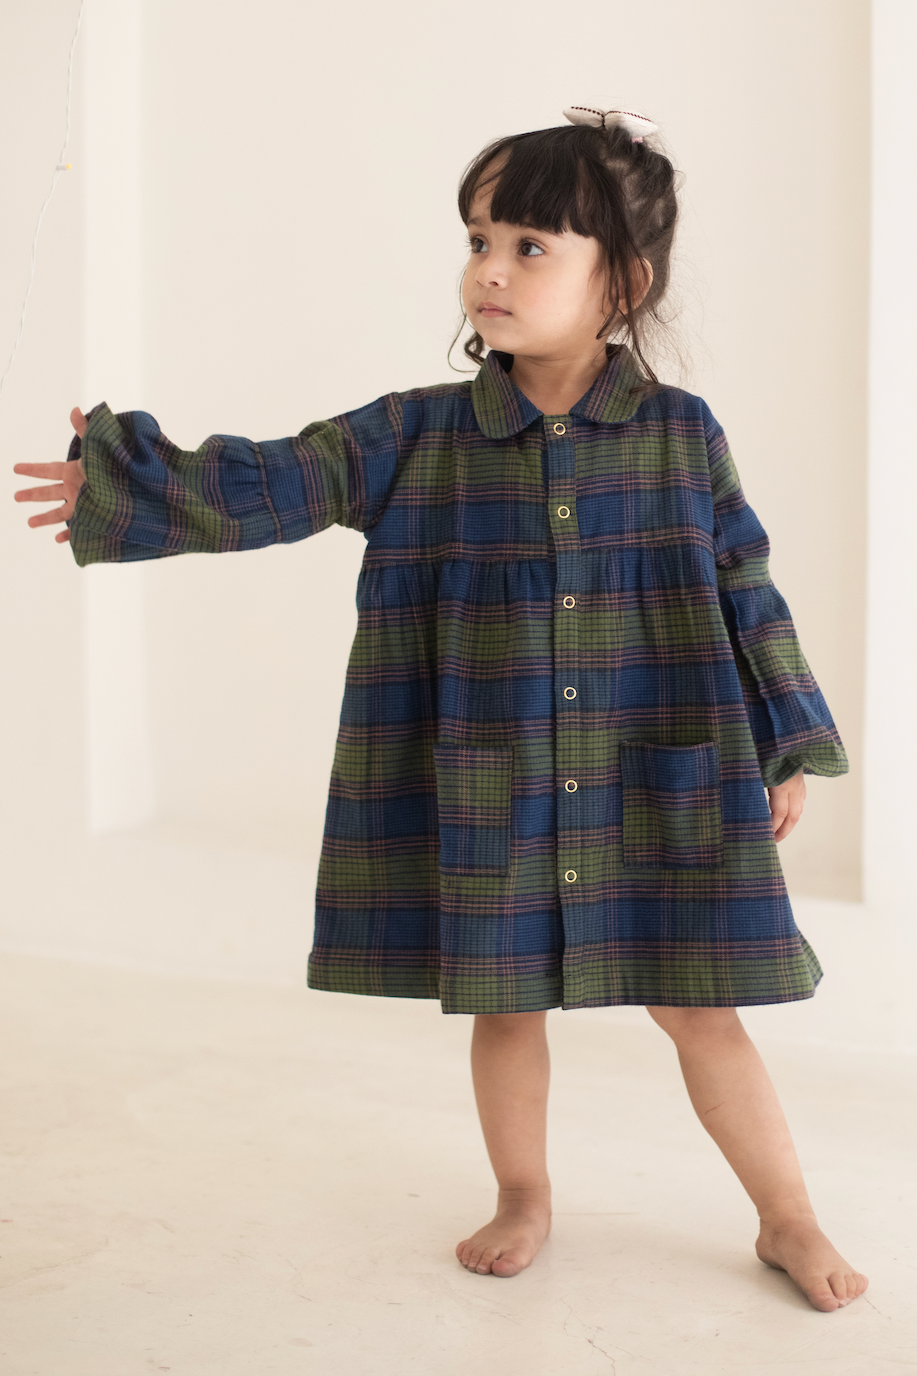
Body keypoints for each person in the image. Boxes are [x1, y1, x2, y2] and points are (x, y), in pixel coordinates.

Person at [13, 105, 867, 1312]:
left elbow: (745, 585)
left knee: (698, 1000)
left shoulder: (680, 437)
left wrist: (785, 738)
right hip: (496, 775)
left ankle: (786, 1214)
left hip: (651, 764)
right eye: (478, 238)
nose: (488, 269)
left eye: (529, 246)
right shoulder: (417, 432)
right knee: (501, 995)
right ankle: (524, 1191)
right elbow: (280, 475)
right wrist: (130, 478)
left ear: (619, 280)